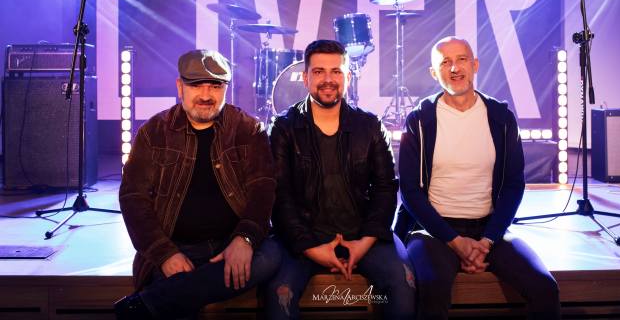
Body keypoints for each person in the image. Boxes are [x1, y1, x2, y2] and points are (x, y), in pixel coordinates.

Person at [395, 36, 560, 319]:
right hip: (434, 232)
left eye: (461, 59)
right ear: (434, 73)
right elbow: (410, 191)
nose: (454, 68)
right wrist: (455, 241)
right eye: (445, 62)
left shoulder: (501, 117)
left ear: (475, 65)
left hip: (490, 230)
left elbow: (513, 185)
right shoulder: (419, 119)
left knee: (544, 287)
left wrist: (487, 241)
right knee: (432, 288)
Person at [115, 49, 280, 319]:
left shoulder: (248, 129)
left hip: (232, 241)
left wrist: (245, 239)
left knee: (271, 256)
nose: (206, 95)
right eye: (196, 85)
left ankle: (145, 305)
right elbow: (133, 198)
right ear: (180, 87)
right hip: (177, 245)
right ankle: (185, 290)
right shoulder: (154, 132)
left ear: (226, 88)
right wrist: (165, 254)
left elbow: (263, 189)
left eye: (215, 86)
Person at [265, 39, 415, 319]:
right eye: (319, 72)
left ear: (348, 76)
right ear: (306, 77)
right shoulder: (284, 128)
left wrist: (364, 243)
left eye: (336, 71)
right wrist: (312, 249)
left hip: (363, 235)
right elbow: (280, 197)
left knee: (404, 284)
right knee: (279, 295)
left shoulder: (369, 126)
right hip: (302, 238)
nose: (328, 80)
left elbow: (385, 189)